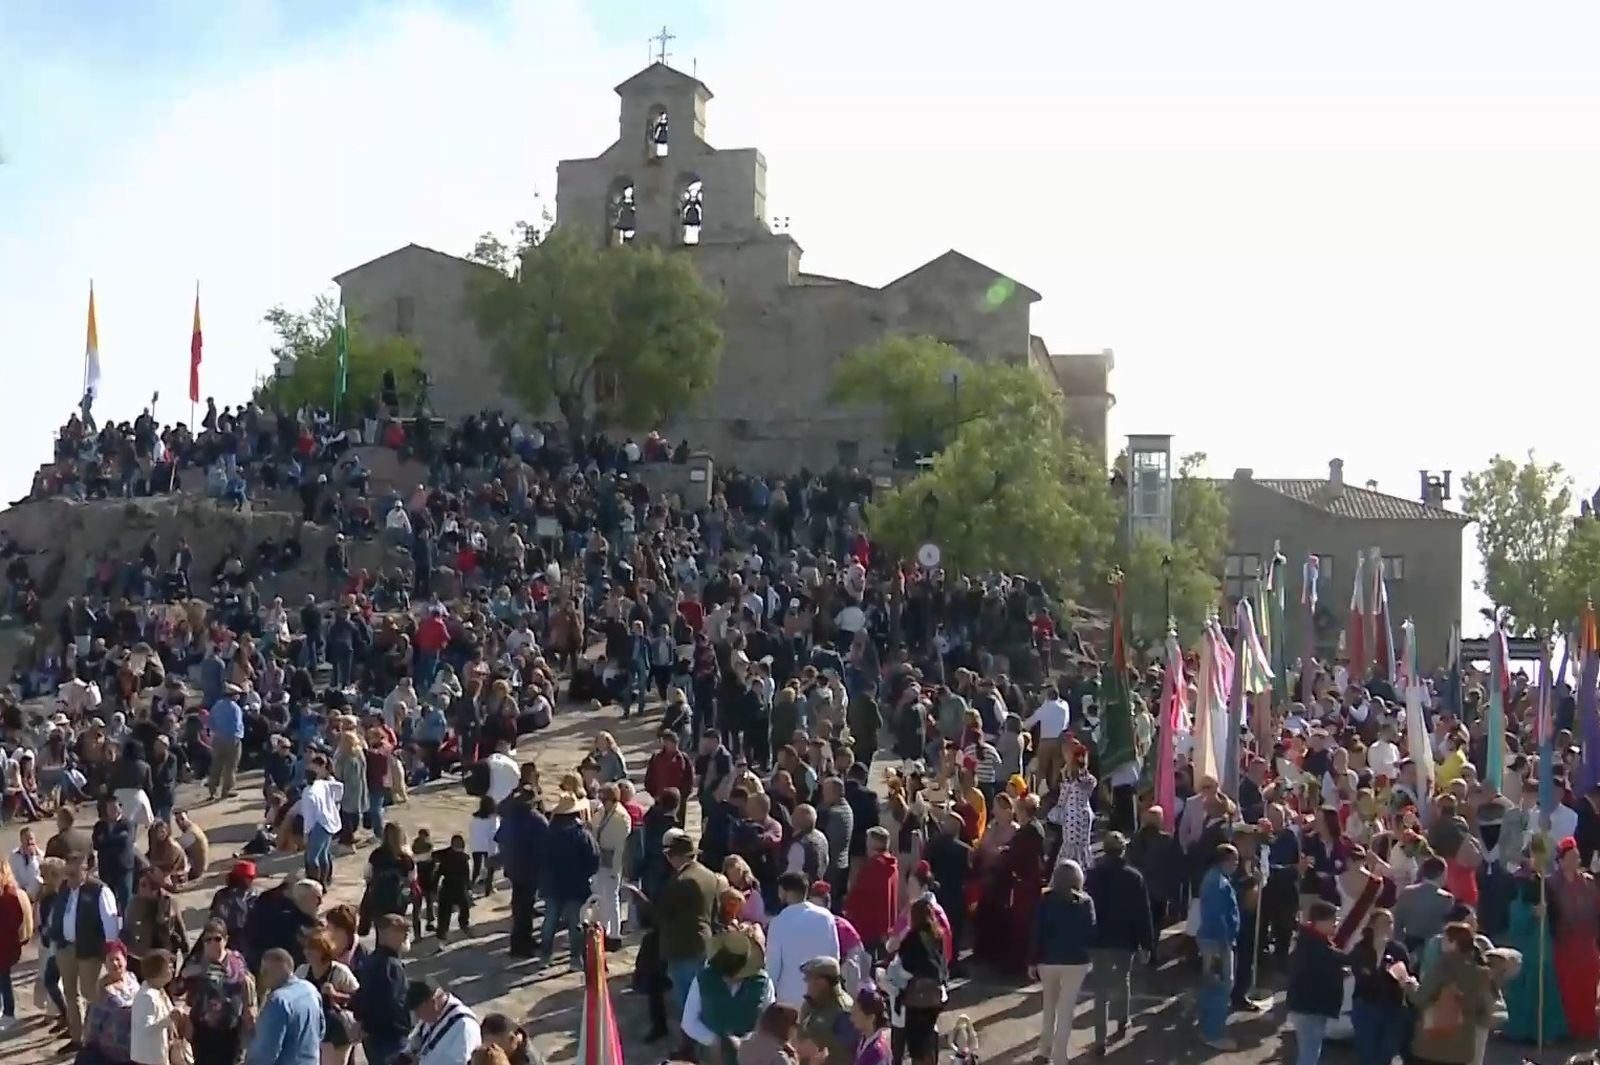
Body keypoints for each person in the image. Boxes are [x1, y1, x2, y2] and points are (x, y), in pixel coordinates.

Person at [1082, 830, 1153, 1054]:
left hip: (1100, 938)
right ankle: (1123, 1019)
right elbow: (1143, 912)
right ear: (1123, 850)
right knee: (1123, 979)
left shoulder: (1092, 875)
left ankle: (1100, 1039)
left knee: (1100, 990)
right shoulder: (1134, 877)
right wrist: (1147, 943)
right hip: (1125, 939)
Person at [50, 850, 120, 1050]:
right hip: (67, 948)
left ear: (86, 870)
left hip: (89, 950)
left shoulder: (99, 891)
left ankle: (98, 1036)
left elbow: (110, 924)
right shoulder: (64, 888)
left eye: (73, 874)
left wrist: (110, 951)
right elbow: (59, 913)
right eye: (67, 873)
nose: (68, 878)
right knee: (71, 995)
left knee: (91, 993)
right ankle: (77, 1038)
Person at [1031, 859, 1095, 1065]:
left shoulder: (1045, 900)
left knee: (1048, 1007)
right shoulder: (1086, 903)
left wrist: (1032, 960)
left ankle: (1044, 1050)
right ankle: (1060, 1056)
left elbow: (1037, 932)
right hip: (1076, 961)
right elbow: (1091, 933)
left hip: (1048, 960)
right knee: (1066, 1011)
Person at [1499, 848, 1565, 1045]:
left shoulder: (1546, 882)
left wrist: (1549, 913)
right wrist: (1530, 913)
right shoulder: (1517, 881)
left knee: (1544, 984)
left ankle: (1544, 1032)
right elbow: (1511, 912)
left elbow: (1556, 911)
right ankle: (1518, 1030)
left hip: (1543, 938)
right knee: (1523, 983)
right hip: (1525, 941)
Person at [1403, 922, 1495, 1065]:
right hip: (1462, 1045)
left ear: (1453, 943)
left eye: (1445, 939)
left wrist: (1409, 985)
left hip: (1435, 1042)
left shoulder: (1442, 967)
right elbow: (1484, 1007)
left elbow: (1420, 998)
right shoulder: (1482, 973)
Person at [682, 929, 774, 1065]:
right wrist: (716, 1041)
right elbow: (689, 1022)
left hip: (750, 1055)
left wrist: (746, 1043)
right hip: (712, 1054)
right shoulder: (704, 979)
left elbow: (769, 1022)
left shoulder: (763, 983)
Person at [181, 917, 257, 1065]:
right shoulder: (196, 961)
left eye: (217, 938)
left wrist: (250, 1007)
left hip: (231, 1029)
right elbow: (177, 990)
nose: (212, 944)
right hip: (203, 1031)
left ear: (225, 939)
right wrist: (186, 974)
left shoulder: (236, 960)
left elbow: (248, 983)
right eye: (208, 940)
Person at [539, 792, 601, 970]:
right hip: (577, 886)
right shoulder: (583, 835)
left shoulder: (549, 833)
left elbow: (541, 858)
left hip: (553, 885)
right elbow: (594, 860)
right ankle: (575, 959)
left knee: (550, 920)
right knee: (575, 923)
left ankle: (545, 956)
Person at [885, 896, 948, 1065]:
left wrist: (889, 976)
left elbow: (905, 968)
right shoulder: (938, 936)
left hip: (917, 999)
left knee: (917, 1047)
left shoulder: (912, 938)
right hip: (936, 996)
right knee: (928, 1040)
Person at [1549, 834, 1599, 1041]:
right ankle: (1567, 1028)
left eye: (1576, 857)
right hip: (1565, 941)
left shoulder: (1588, 882)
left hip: (1586, 940)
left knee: (1588, 984)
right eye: (1570, 857)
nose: (1574, 861)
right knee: (1566, 985)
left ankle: (1587, 1028)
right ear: (1560, 861)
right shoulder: (1551, 885)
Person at [765, 872, 840, 1004]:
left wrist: (770, 997)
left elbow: (773, 965)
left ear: (784, 891)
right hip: (821, 993)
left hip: (789, 996)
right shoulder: (826, 917)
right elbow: (834, 956)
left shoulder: (779, 922)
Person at [1286, 900, 1347, 1065]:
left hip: (1308, 1006)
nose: (1336, 923)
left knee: (1310, 1051)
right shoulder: (1314, 945)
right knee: (1309, 1053)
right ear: (1321, 921)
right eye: (1333, 919)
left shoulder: (1310, 940)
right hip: (1309, 1008)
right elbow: (1318, 970)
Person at [1195, 843, 1241, 1051]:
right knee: (1220, 986)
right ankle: (1213, 1034)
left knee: (1211, 985)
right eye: (1235, 861)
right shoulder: (1217, 883)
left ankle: (1206, 1028)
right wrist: (1221, 947)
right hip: (1217, 942)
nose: (1237, 865)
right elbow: (1218, 918)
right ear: (1225, 860)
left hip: (1213, 940)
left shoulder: (1215, 879)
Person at [247, 947, 324, 1065]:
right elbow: (321, 1030)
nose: (262, 976)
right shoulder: (310, 989)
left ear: (279, 970)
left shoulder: (278, 1001)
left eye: (265, 971)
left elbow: (267, 1052)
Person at [354, 914, 411, 1065]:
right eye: (400, 931)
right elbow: (393, 1004)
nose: (405, 936)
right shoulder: (390, 966)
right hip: (390, 1038)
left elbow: (361, 996)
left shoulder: (371, 960)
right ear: (385, 933)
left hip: (373, 1036)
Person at [298, 929, 361, 1065]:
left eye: (312, 948)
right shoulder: (302, 971)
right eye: (306, 948)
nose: (307, 952)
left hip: (336, 1029)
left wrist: (336, 995)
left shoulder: (339, 971)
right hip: (310, 1028)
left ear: (324, 950)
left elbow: (360, 998)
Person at [406, 978, 481, 1065]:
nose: (417, 1016)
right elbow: (413, 1045)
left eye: (417, 1011)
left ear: (432, 1002)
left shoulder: (465, 1026)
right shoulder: (431, 1017)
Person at [130, 948, 181, 1065]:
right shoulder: (146, 997)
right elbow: (146, 1029)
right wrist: (169, 1018)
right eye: (169, 966)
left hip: (161, 1056)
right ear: (157, 970)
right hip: (150, 1059)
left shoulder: (160, 991)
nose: (173, 969)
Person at [0, 855, 32, 1029]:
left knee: (4, 978)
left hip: (5, 943)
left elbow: (12, 922)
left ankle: (9, 1012)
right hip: (5, 943)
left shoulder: (9, 894)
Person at [479, 1013, 547, 1065]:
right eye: (489, 1047)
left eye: (497, 1047)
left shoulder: (530, 1061)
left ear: (513, 1039)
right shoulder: (482, 1053)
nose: (493, 1052)